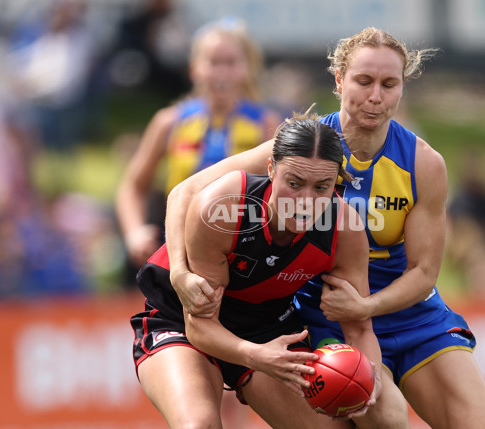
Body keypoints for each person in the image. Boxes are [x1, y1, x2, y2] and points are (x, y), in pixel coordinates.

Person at [164, 27, 485, 428]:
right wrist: (180, 272)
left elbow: (425, 272)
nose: (375, 96)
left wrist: (367, 306)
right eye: (363, 81)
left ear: (401, 88)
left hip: (410, 315)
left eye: (389, 84)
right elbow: (185, 192)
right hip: (327, 315)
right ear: (339, 79)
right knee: (383, 415)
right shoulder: (304, 149)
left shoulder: (423, 163)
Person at [130, 115, 409, 429]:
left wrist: (367, 377)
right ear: (271, 169)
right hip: (181, 321)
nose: (305, 201)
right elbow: (200, 328)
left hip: (267, 328)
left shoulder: (345, 229)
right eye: (294, 183)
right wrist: (254, 356)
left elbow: (358, 330)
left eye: (322, 187)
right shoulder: (223, 206)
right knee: (199, 425)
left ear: (336, 184)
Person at [116, 17, 280, 269]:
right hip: (179, 251)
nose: (222, 72)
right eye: (213, 62)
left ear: (247, 68)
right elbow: (133, 185)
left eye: (231, 62)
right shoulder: (169, 122)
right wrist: (134, 232)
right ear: (194, 68)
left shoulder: (266, 124)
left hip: (243, 254)